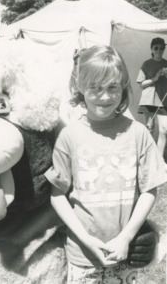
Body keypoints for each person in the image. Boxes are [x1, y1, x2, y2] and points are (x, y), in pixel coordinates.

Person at [45, 45, 167, 283]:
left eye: (112, 87)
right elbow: (57, 195)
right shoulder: (69, 136)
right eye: (95, 88)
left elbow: (149, 189)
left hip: (126, 253)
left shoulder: (138, 133)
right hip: (82, 256)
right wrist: (85, 239)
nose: (105, 96)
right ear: (81, 87)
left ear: (122, 87)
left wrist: (126, 237)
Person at [137, 37, 167, 157]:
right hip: (148, 100)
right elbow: (141, 84)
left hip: (163, 102)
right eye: (156, 48)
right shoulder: (146, 64)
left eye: (162, 48)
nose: (159, 51)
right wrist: (155, 78)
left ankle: (159, 159)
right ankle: (149, 157)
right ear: (152, 49)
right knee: (149, 129)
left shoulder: (166, 63)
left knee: (164, 130)